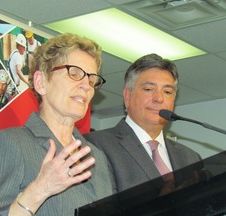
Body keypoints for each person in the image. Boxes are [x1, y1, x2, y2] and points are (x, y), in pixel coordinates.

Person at [0, 33, 113, 216]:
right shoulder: (11, 143)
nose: (86, 85)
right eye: (74, 73)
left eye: (91, 79)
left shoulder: (97, 157)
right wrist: (40, 189)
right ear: (41, 82)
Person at [84, 53, 203, 193]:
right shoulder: (96, 145)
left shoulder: (191, 158)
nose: (159, 98)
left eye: (167, 92)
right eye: (148, 89)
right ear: (127, 96)